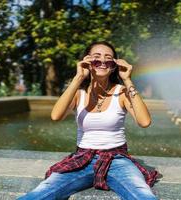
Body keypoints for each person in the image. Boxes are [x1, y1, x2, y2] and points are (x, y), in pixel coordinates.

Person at [17, 41, 161, 200]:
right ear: (88, 62)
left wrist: (127, 80)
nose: (103, 62)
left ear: (114, 65)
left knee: (143, 195)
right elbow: (56, 116)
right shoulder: (79, 93)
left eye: (109, 59)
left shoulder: (122, 92)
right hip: (82, 159)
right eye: (96, 58)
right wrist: (78, 77)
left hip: (117, 160)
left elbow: (144, 122)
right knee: (40, 193)